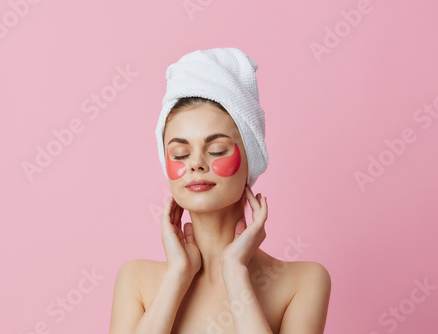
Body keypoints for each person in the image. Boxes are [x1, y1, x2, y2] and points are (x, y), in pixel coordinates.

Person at [109, 48, 331, 334]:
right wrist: (177, 276)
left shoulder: (303, 282)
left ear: (251, 157)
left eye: (216, 150)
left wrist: (236, 273)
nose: (196, 164)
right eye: (180, 153)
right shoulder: (136, 280)